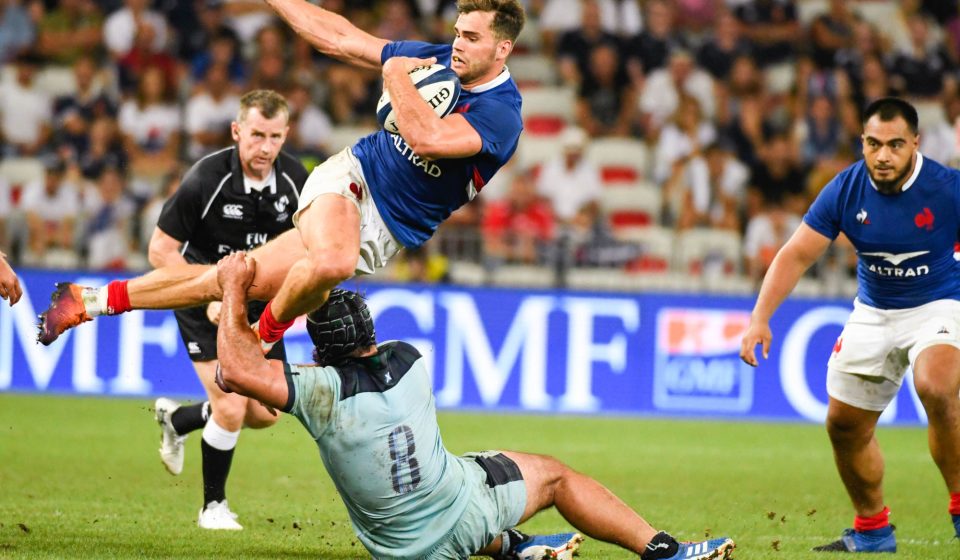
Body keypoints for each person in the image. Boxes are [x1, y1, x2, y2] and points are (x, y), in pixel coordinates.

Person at [37, 0, 525, 350]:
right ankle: (259, 341)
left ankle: (90, 299)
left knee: (236, 277)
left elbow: (426, 139)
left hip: (388, 229)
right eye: (458, 32)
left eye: (472, 38)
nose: (457, 44)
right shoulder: (435, 59)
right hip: (351, 178)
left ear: (502, 49)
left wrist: (395, 73)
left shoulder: (501, 115)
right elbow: (338, 38)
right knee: (333, 262)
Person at [212, 251, 737, 560]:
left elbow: (235, 371)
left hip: (400, 550)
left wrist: (234, 288)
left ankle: (516, 549)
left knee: (447, 480)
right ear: (372, 329)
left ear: (320, 350)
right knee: (550, 476)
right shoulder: (410, 358)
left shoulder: (319, 391)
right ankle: (663, 552)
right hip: (464, 515)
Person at [739, 97, 960, 552]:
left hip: (940, 303)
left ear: (915, 143)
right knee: (842, 425)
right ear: (862, 142)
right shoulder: (845, 189)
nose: (883, 156)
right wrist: (759, 318)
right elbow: (796, 254)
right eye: (874, 144)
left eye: (895, 145)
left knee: (936, 385)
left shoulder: (948, 189)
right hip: (874, 310)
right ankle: (873, 530)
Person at [149, 89, 309, 530]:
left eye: (275, 136)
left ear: (286, 135)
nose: (266, 147)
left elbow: (306, 252)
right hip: (203, 300)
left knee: (267, 413)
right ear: (237, 130)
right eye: (256, 134)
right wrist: (211, 296)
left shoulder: (296, 181)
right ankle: (212, 507)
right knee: (233, 405)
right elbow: (160, 251)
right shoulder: (206, 178)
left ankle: (180, 419)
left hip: (257, 311)